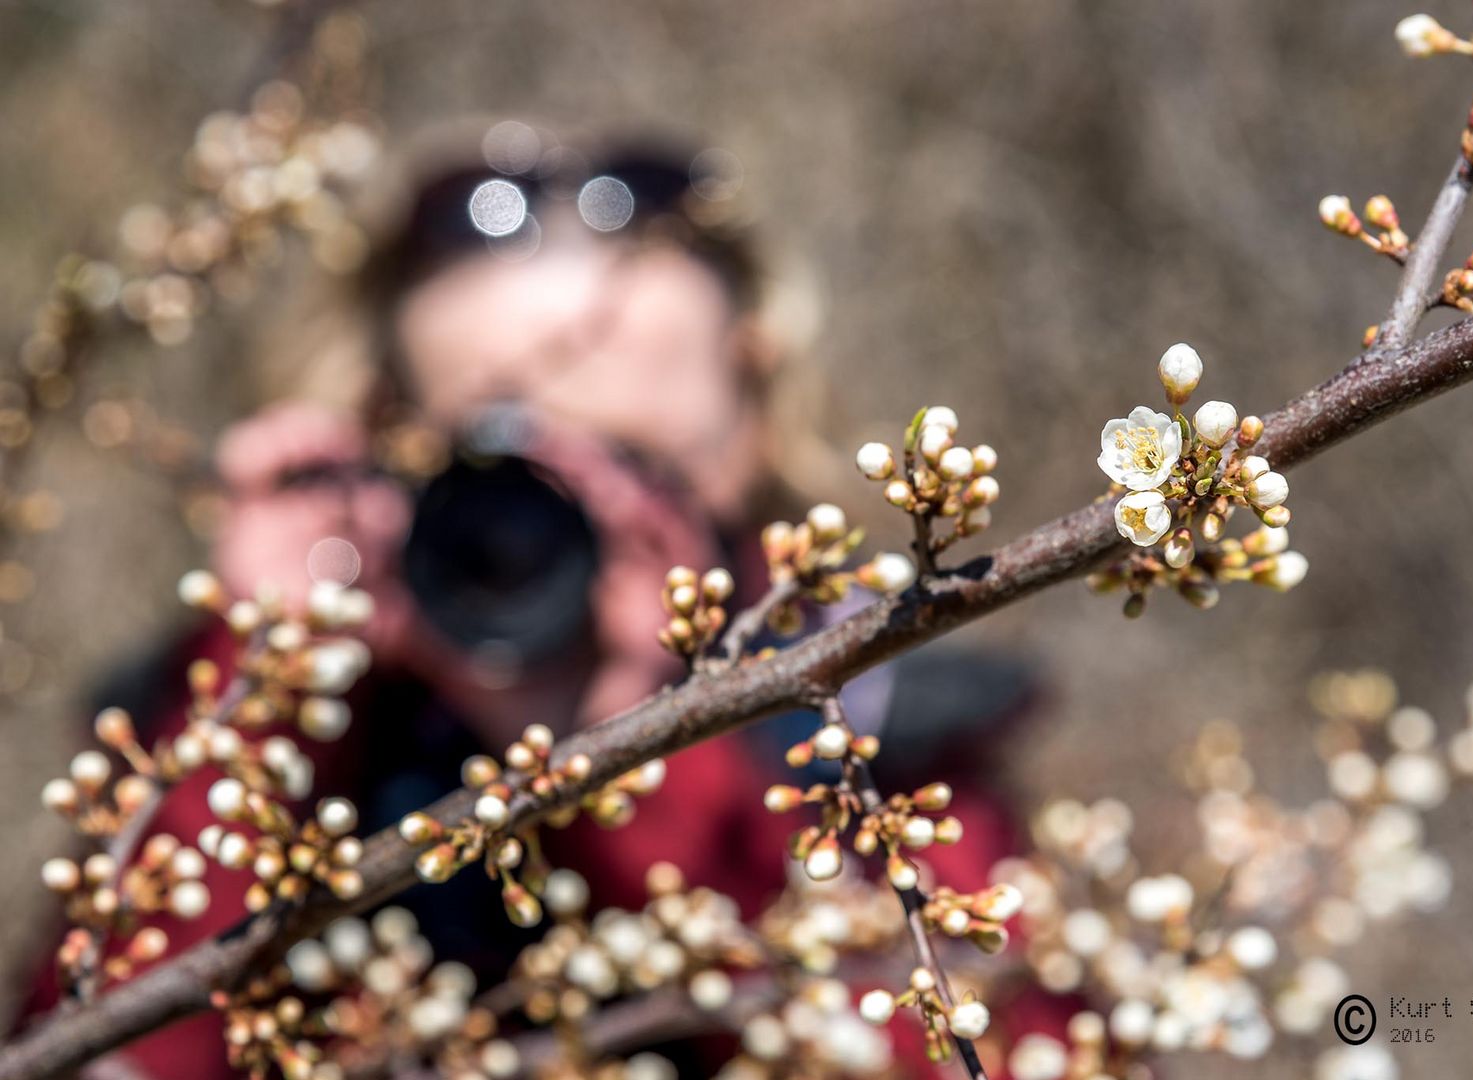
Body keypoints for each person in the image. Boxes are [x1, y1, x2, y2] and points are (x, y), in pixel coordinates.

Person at [20, 129, 1038, 1078]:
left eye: (633, 462)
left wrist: (649, 751)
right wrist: (262, 688)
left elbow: (999, 1041)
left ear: (755, 420)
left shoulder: (884, 735)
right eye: (502, 457)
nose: (563, 521)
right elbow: (103, 1048)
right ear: (385, 437)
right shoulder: (302, 721)